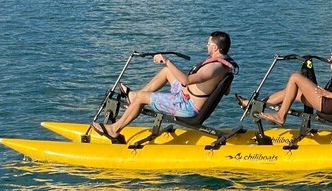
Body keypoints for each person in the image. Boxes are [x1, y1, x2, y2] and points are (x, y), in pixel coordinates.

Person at [92, 31, 236, 143]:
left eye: (209, 44)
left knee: (143, 96)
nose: (206, 46)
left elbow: (185, 80)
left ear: (216, 47)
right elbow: (226, 91)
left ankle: (114, 129)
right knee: (167, 73)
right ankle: (135, 99)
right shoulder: (226, 65)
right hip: (187, 96)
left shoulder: (213, 68)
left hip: (186, 106)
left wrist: (166, 61)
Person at [250, 30, 332, 126]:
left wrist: (328, 94)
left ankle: (280, 116)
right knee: (292, 92)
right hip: (329, 100)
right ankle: (254, 106)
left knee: (295, 77)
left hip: (330, 104)